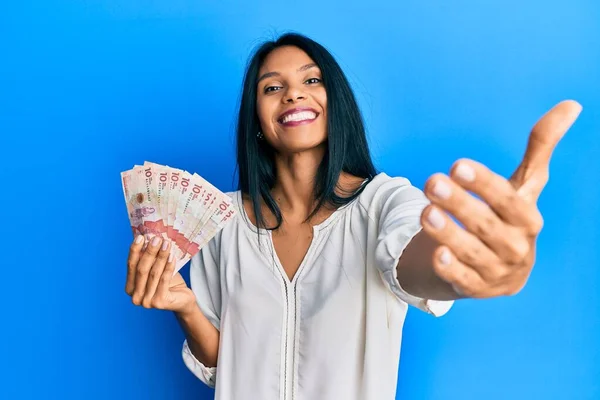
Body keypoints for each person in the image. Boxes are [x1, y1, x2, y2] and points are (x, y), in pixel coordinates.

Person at [124, 33, 582, 399]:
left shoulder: (385, 203)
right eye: (272, 87)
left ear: (335, 103)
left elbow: (413, 262)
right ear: (257, 120)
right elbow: (228, 365)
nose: (293, 95)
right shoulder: (219, 222)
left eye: (312, 80)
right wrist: (185, 306)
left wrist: (468, 269)